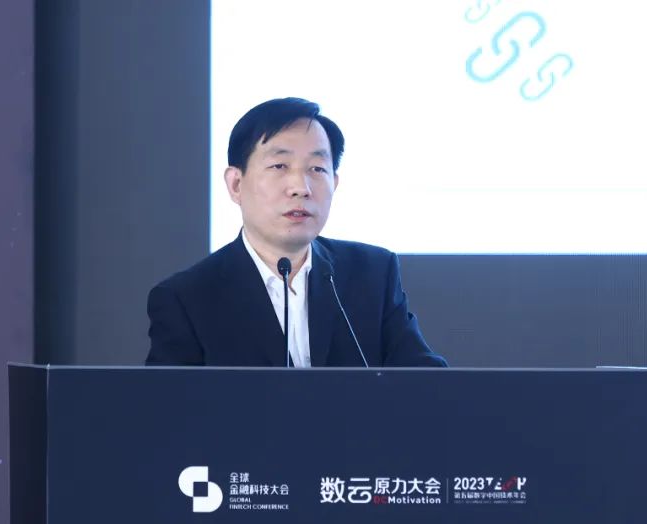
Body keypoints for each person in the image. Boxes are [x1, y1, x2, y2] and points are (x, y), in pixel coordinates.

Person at [145, 97, 447, 367]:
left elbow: (427, 384)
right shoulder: (187, 299)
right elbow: (169, 407)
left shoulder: (373, 274)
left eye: (317, 169)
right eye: (279, 166)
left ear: (334, 183)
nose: (300, 188)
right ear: (236, 184)